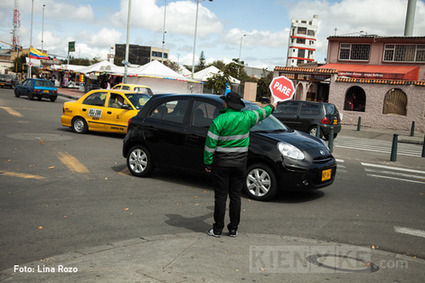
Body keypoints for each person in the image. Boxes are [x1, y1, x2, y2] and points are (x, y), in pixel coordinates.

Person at [204, 92, 275, 238]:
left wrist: (208, 162)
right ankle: (233, 229)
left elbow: (210, 145)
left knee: (220, 197)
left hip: (221, 164)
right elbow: (262, 113)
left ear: (227, 104)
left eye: (224, 102)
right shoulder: (247, 117)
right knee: (235, 196)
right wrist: (272, 106)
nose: (223, 103)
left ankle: (217, 230)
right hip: (240, 164)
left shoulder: (219, 120)